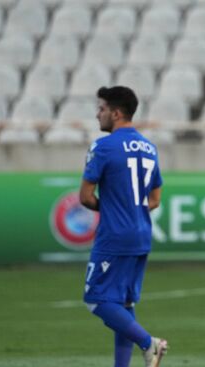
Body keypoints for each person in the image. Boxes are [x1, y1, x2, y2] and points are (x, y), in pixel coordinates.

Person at [79, 86, 168, 367]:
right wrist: (131, 209)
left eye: (102, 109)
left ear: (116, 113)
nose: (98, 115)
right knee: (124, 306)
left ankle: (148, 343)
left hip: (114, 236)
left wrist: (109, 208)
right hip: (141, 234)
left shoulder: (103, 146)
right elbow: (155, 198)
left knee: (96, 299)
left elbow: (85, 196)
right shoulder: (148, 147)